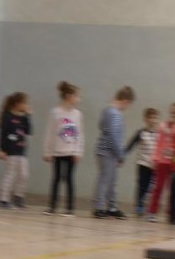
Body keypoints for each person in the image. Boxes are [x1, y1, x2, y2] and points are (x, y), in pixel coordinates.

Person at [93, 86, 136, 219]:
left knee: (111, 180)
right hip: (108, 152)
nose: (127, 107)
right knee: (106, 180)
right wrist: (120, 155)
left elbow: (101, 126)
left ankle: (112, 206)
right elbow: (113, 136)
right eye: (128, 104)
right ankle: (99, 207)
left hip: (106, 151)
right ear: (125, 101)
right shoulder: (115, 113)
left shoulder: (107, 110)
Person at [42, 81, 83, 217]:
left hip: (71, 152)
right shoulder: (55, 112)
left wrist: (78, 151)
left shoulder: (77, 114)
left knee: (69, 179)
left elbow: (79, 134)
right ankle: (52, 207)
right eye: (77, 96)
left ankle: (70, 208)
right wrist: (47, 151)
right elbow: (50, 132)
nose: (79, 99)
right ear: (69, 96)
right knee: (57, 178)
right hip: (57, 151)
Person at [146, 102, 175, 223]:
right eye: (173, 112)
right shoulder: (163, 126)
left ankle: (171, 214)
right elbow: (158, 143)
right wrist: (155, 158)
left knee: (173, 190)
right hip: (162, 161)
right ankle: (152, 212)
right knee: (158, 187)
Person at [0, 92, 31, 209]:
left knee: (24, 174)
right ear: (17, 104)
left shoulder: (24, 117)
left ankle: (19, 197)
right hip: (11, 150)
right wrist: (2, 149)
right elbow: (2, 134)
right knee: (10, 174)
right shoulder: (8, 116)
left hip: (21, 150)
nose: (26, 105)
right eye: (24, 103)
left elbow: (29, 131)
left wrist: (28, 116)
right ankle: (3, 199)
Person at [125, 107, 160, 216]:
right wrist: (123, 154)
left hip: (155, 165)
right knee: (142, 185)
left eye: (154, 118)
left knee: (152, 187)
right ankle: (139, 205)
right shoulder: (141, 132)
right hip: (143, 163)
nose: (152, 120)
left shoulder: (160, 134)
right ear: (145, 119)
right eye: (150, 118)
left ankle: (149, 206)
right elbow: (131, 144)